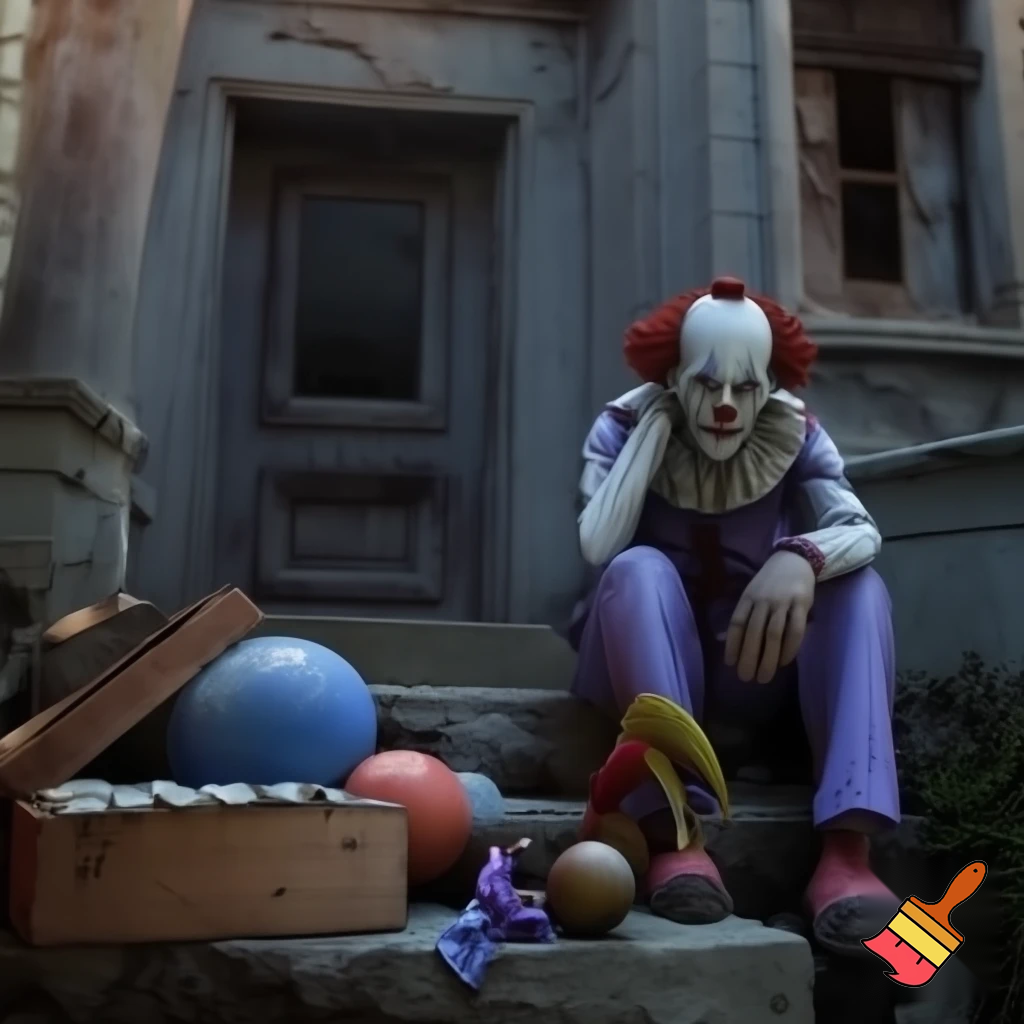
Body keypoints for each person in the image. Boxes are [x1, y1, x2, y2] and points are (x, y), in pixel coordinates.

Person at [569, 276, 899, 957]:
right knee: (634, 569)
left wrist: (802, 556)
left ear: (767, 386)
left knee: (859, 587)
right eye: (704, 384)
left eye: (744, 389)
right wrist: (654, 430)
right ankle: (674, 833)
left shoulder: (794, 430)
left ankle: (847, 850)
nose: (723, 407)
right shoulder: (626, 423)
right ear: (675, 376)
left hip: (756, 669)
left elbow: (861, 530)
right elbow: (598, 543)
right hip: (645, 665)